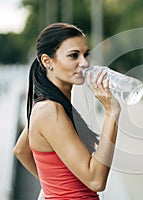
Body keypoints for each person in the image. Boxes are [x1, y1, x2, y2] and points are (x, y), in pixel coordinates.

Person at [13, 22, 121, 199]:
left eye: (86, 54)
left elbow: (20, 150)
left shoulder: (50, 105)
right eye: (73, 56)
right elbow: (96, 181)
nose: (84, 63)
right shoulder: (50, 111)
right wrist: (112, 113)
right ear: (47, 61)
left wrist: (55, 186)